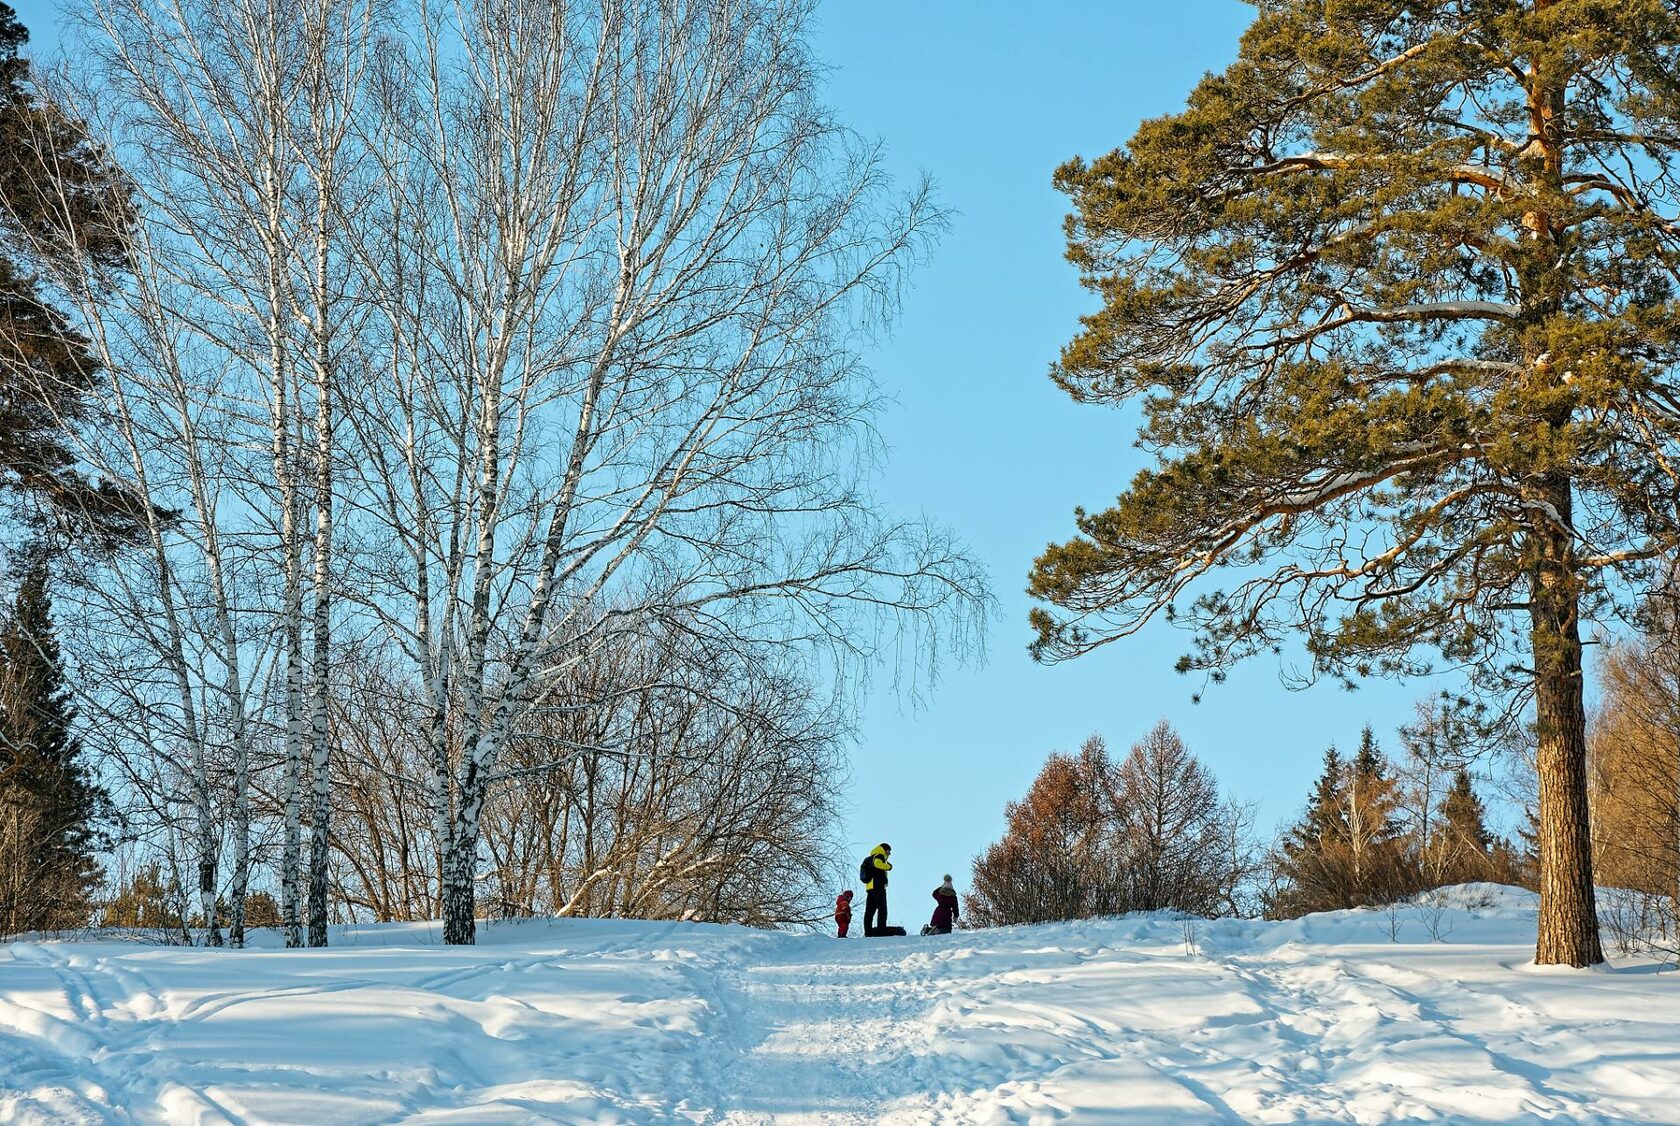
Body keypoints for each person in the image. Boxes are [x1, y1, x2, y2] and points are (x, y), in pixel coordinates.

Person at [861, 842, 892, 936]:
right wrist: (888, 866)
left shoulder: (869, 858)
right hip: (878, 886)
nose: (889, 854)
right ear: (884, 849)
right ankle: (881, 931)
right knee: (882, 909)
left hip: (870, 887)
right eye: (888, 851)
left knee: (869, 911)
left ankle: (868, 932)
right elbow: (878, 864)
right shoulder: (879, 856)